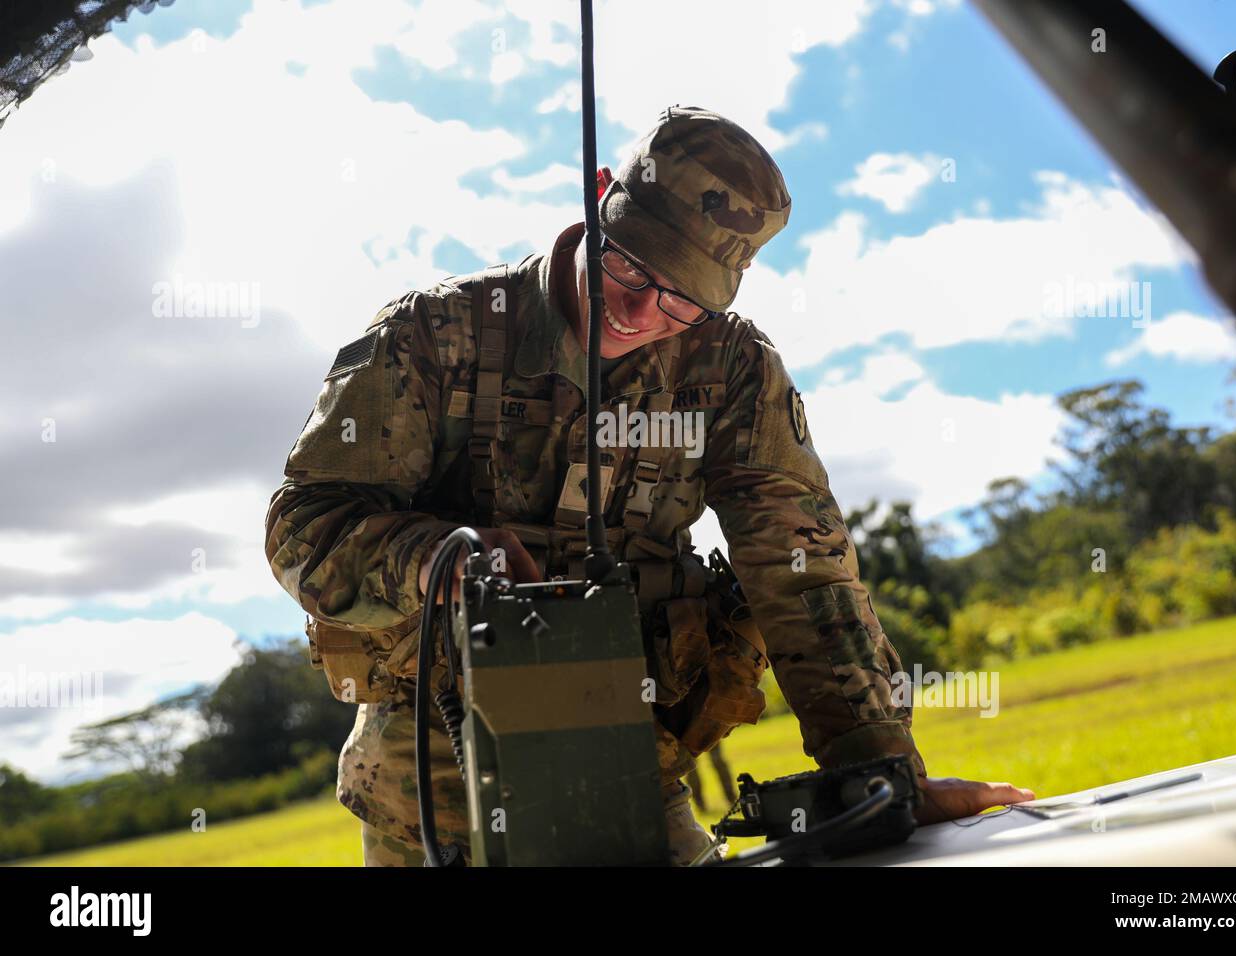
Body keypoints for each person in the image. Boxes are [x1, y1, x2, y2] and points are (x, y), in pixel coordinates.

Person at [265, 105, 1034, 867]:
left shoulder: (731, 368)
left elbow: (802, 572)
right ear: (598, 196)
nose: (637, 312)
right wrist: (436, 562)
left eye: (682, 299)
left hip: (628, 759)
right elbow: (304, 527)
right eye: (626, 265)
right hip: (425, 788)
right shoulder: (437, 333)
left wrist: (880, 771)